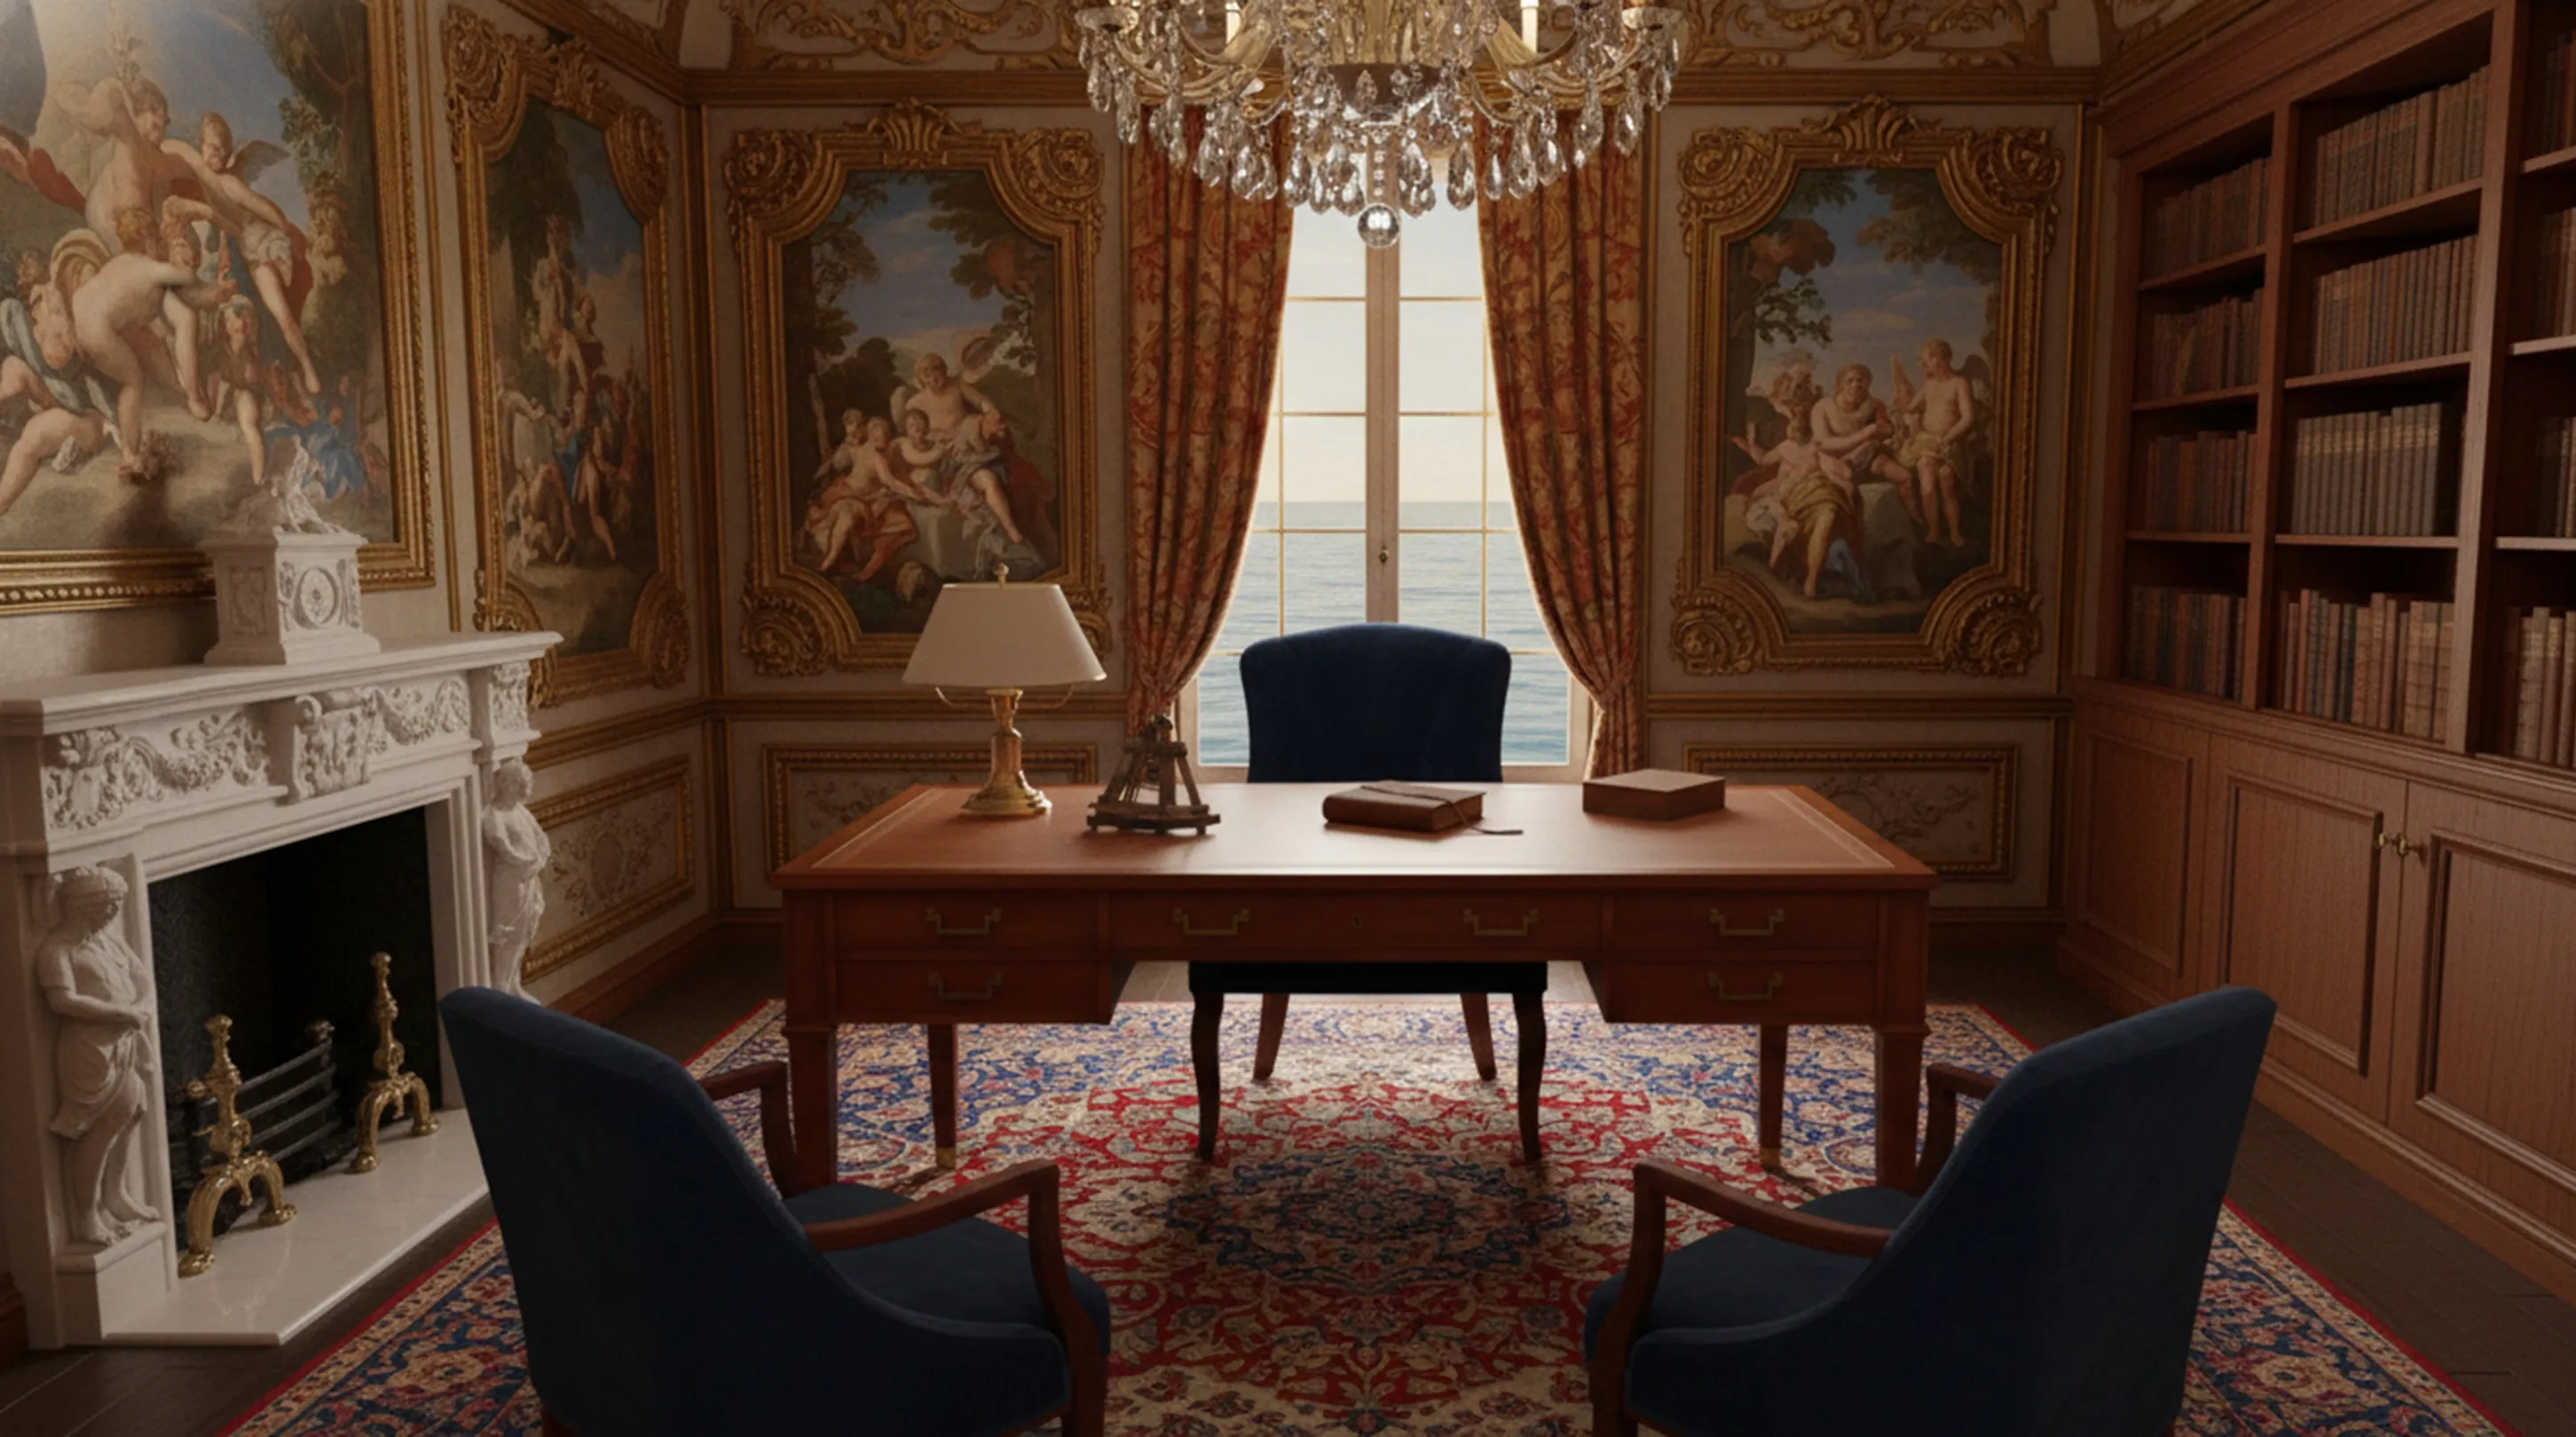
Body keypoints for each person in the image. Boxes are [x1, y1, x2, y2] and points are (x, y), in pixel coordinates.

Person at [36, 867, 161, 1249]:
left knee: (131, 1112)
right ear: (84, 906)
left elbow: (142, 980)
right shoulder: (57, 950)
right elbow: (63, 1001)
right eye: (107, 907)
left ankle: (116, 1193)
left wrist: (139, 1009)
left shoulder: (108, 942)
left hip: (124, 1041)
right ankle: (87, 1215)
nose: (112, 915)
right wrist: (121, 1014)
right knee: (98, 1130)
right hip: (90, 1051)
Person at [161, 112, 323, 394]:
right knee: (265, 310)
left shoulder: (229, 184)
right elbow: (178, 150)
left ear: (227, 154)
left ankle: (308, 366)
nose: (215, 156)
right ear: (203, 145)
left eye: (221, 150)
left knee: (281, 313)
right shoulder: (204, 178)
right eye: (211, 148)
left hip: (266, 244)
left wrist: (286, 233)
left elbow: (264, 208)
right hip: (249, 253)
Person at [72, 214, 232, 483]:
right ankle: (130, 454)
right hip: (99, 329)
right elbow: (186, 276)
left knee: (146, 338)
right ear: (148, 240)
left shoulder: (119, 263)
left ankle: (188, 394)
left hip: (82, 314)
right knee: (133, 381)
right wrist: (192, 271)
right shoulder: (151, 269)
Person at [1811, 362, 1923, 529]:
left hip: (1866, 456)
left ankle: (1914, 521)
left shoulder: (1873, 405)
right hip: (1835, 460)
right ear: (1841, 384)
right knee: (1845, 489)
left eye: (1860, 380)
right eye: (1850, 381)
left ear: (1867, 384)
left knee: (1905, 477)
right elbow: (1823, 443)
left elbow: (1886, 429)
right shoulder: (1823, 407)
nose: (1856, 385)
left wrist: (1884, 430)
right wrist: (1864, 434)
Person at [1893, 338, 1977, 547]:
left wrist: (1948, 438)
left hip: (1950, 442)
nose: (1925, 364)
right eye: (1923, 360)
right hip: (1927, 443)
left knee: (1947, 480)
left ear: (1944, 358)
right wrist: (1901, 399)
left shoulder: (1959, 384)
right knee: (1927, 475)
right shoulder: (1928, 385)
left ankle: (1955, 532)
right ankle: (1933, 532)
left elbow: (1968, 418)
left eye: (1930, 358)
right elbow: (1911, 407)